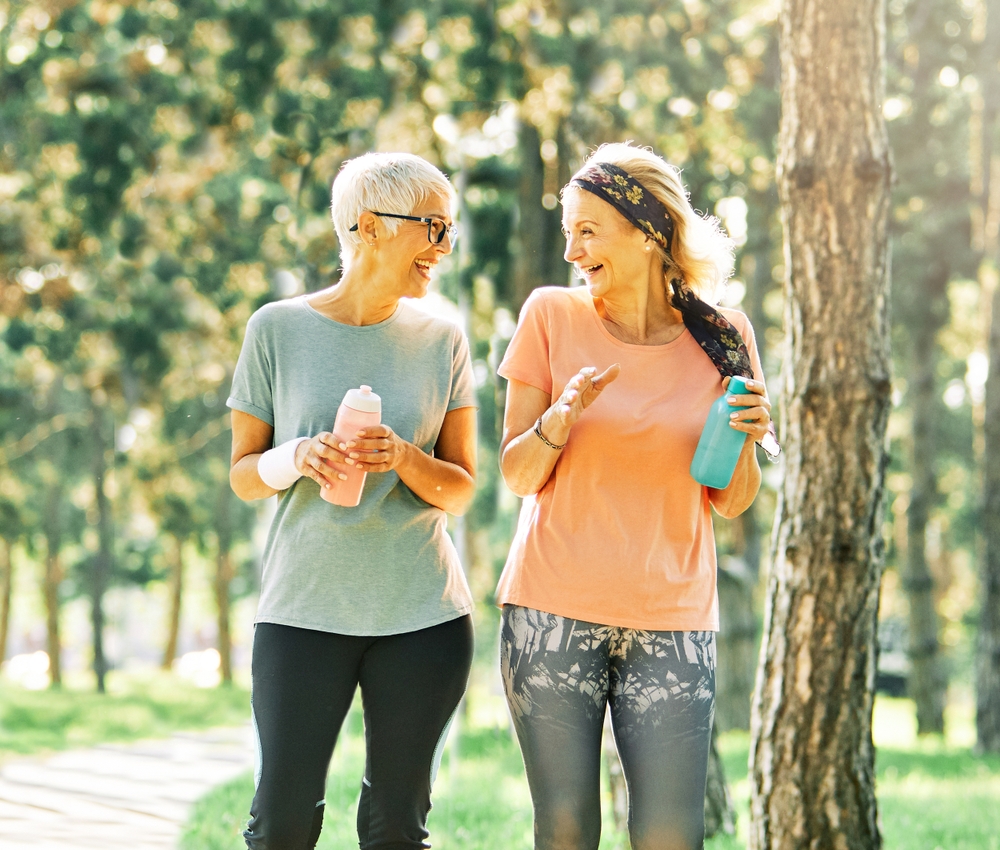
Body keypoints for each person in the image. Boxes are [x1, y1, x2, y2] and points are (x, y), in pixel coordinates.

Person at [496, 142, 776, 850]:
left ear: (648, 231)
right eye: (567, 233)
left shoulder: (723, 337)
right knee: (565, 828)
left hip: (673, 618)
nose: (572, 251)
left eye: (587, 230)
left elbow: (732, 499)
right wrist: (557, 420)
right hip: (552, 610)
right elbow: (517, 473)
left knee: (671, 835)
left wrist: (746, 436)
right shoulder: (551, 316)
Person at [227, 152, 478, 850]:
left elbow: (460, 487)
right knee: (280, 823)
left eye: (449, 229)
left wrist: (403, 457)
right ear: (367, 226)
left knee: (396, 828)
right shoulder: (276, 329)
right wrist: (295, 457)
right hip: (303, 611)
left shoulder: (442, 338)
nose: (443, 248)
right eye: (431, 226)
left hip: (422, 616)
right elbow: (245, 474)